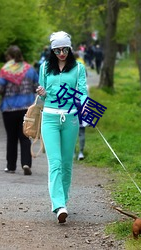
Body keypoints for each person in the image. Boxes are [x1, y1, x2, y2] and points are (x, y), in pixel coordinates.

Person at [36, 31, 88, 223]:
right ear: (52, 50)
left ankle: (63, 202)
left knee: (67, 164)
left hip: (71, 119)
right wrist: (41, 92)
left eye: (65, 49)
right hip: (49, 118)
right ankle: (58, 204)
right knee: (55, 162)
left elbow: (82, 91)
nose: (61, 53)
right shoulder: (44, 68)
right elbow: (41, 98)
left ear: (70, 48)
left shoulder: (79, 68)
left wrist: (84, 108)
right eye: (57, 50)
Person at [0, 45, 39, 175]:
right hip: (26, 109)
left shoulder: (5, 71)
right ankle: (26, 163)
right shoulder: (30, 70)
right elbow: (37, 87)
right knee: (25, 137)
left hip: (9, 109)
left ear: (9, 57)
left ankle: (11, 166)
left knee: (11, 138)